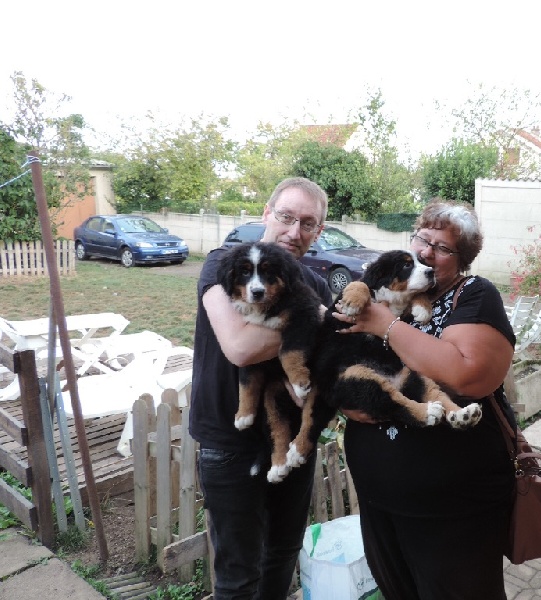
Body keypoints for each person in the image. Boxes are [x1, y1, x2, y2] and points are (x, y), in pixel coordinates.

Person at [337, 200, 516, 600]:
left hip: (453, 505)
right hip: (379, 495)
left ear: (462, 258)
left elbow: (466, 376)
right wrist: (343, 398)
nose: (427, 252)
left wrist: (385, 324)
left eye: (443, 247)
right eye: (423, 239)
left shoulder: (473, 294)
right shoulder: (386, 292)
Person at [189, 177, 333, 600]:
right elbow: (240, 347)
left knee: (283, 553)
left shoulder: (316, 284)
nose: (295, 231)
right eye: (286, 216)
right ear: (267, 213)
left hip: (292, 440)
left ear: (319, 230)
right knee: (237, 575)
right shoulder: (224, 263)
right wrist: (311, 321)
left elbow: (328, 356)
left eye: (308, 223)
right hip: (228, 440)